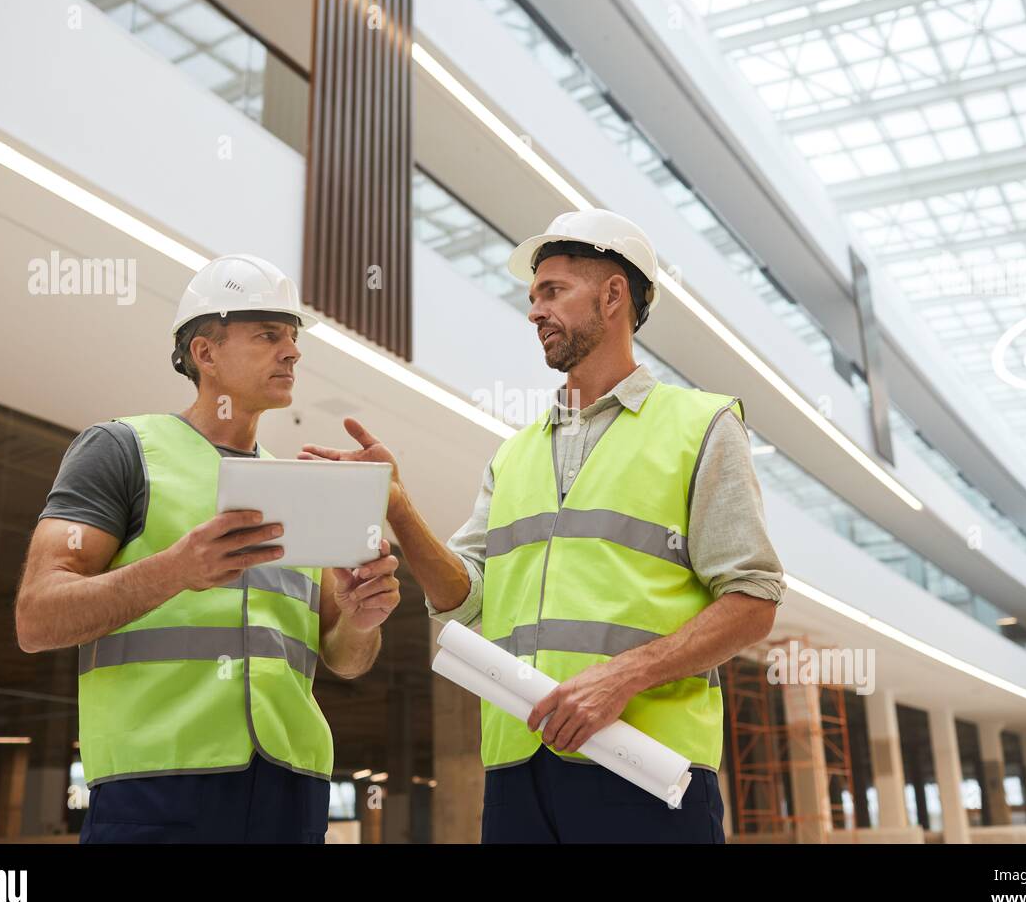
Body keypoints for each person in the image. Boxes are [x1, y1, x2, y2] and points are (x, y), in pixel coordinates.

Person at [301, 210, 784, 842]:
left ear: (613, 296)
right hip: (517, 771)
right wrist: (398, 505)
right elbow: (464, 599)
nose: (534, 311)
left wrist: (622, 677)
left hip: (645, 766)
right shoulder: (514, 454)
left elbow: (754, 599)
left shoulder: (702, 426)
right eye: (532, 298)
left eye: (552, 292)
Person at [15, 254, 400, 843]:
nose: (292, 351)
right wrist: (174, 570)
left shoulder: (300, 490)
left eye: (293, 338)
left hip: (291, 792)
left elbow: (344, 658)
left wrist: (360, 618)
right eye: (269, 335)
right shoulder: (121, 451)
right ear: (205, 353)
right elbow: (37, 617)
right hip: (156, 786)